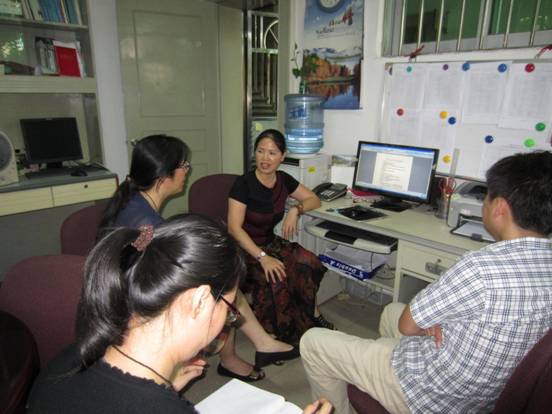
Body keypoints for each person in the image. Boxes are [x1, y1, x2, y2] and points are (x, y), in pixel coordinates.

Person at [300, 151, 552, 414]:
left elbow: (408, 325)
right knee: (391, 311)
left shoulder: (480, 269)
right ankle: (379, 377)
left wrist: (429, 325)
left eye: (486, 197)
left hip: (430, 397)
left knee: (314, 342)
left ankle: (383, 387)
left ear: (499, 207)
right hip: (482, 395)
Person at [27, 215, 333, 414]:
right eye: (229, 309)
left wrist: (167, 386)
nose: (228, 322)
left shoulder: (68, 359)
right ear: (199, 301)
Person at [98, 134, 298, 382]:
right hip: (132, 301)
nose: (187, 171)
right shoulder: (147, 223)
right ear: (164, 175)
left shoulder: (136, 202)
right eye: (184, 166)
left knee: (222, 278)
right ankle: (245, 350)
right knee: (221, 283)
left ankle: (256, 346)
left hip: (132, 284)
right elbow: (155, 272)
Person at [228, 129, 333, 344]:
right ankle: (274, 335)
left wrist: (295, 210)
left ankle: (310, 314)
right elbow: (234, 229)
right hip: (243, 248)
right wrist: (262, 258)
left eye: (272, 153)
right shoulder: (243, 184)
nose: (265, 158)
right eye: (260, 151)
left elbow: (314, 199)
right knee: (275, 276)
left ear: (282, 156)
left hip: (269, 242)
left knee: (308, 261)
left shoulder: (283, 180)